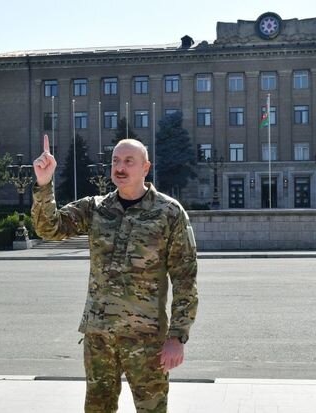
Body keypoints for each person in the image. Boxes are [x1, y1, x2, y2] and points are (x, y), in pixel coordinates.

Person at [31, 134, 198, 413]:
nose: (120, 167)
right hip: (99, 336)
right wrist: (44, 183)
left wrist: (177, 337)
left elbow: (185, 278)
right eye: (115, 161)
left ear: (146, 167)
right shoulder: (95, 208)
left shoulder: (169, 212)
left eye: (129, 161)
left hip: (146, 339)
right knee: (97, 409)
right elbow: (49, 228)